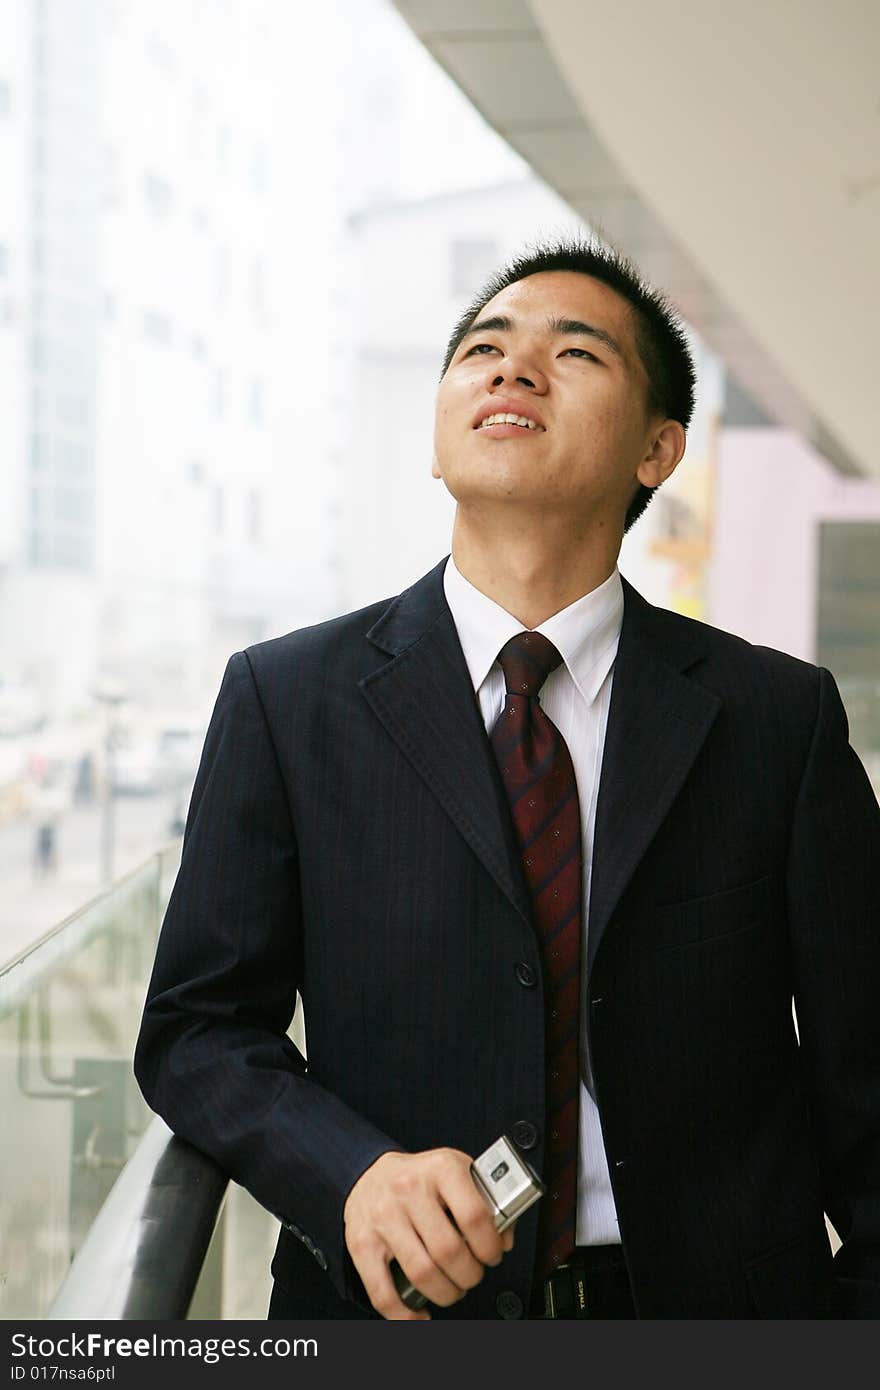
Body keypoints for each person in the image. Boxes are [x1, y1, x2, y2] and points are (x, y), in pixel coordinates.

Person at [134, 238, 880, 1320]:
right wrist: (348, 1172)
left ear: (657, 450)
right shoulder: (286, 698)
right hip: (398, 1321)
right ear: (440, 434)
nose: (512, 367)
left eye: (573, 352)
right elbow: (199, 1029)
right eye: (483, 346)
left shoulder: (778, 719)